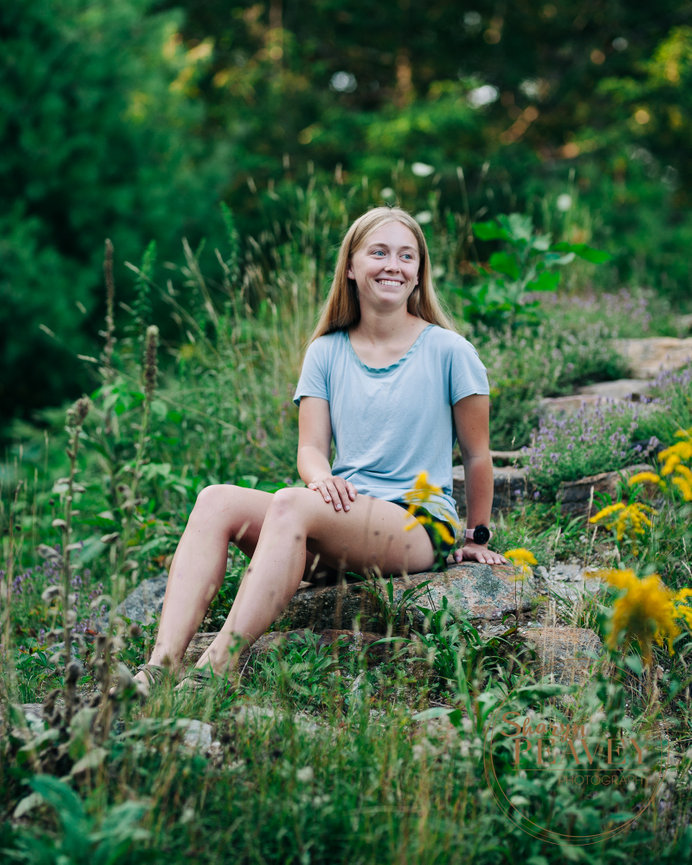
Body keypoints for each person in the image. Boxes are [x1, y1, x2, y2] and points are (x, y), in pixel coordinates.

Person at [132, 206, 507, 695]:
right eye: (379, 252)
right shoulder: (326, 351)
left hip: (416, 524)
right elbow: (311, 447)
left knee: (291, 503)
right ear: (351, 266)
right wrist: (319, 479)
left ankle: (216, 668)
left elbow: (478, 455)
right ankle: (159, 668)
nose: (393, 265)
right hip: (341, 520)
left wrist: (476, 537)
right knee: (215, 499)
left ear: (418, 274)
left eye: (406, 256)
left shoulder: (450, 350)